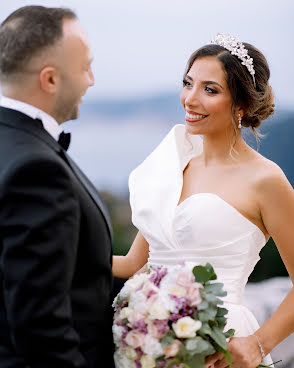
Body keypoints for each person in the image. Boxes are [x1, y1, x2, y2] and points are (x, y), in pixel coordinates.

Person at [112, 33, 294, 367]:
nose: (190, 99)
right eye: (188, 83)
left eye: (210, 90)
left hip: (220, 345)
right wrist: (61, 253)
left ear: (240, 104)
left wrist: (257, 344)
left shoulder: (266, 180)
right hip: (154, 346)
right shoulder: (172, 168)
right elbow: (131, 264)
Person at [0, 6, 114, 368]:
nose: (91, 80)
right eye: (85, 68)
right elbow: (42, 329)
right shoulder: (37, 170)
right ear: (50, 79)